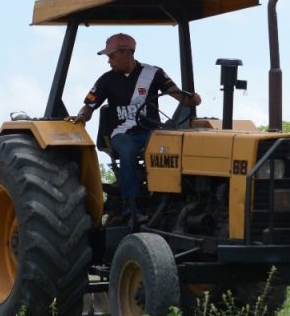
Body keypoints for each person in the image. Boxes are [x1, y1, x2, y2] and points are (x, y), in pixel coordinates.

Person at [68, 32, 201, 221]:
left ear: (127, 53)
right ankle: (132, 208)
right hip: (121, 133)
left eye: (112, 56)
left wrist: (192, 99)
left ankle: (176, 200)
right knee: (128, 151)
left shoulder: (153, 73)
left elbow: (180, 96)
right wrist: (82, 116)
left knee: (175, 148)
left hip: (151, 132)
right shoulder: (107, 79)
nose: (109, 61)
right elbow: (89, 106)